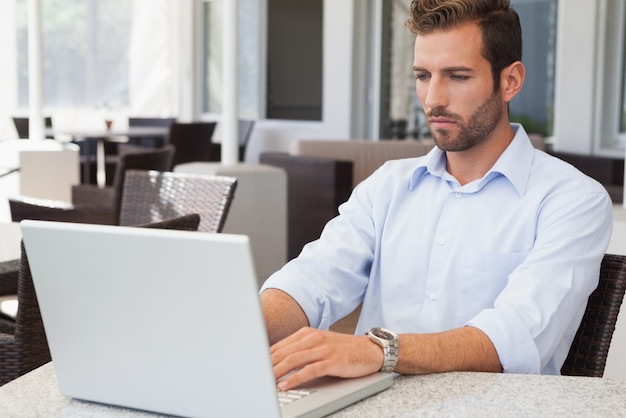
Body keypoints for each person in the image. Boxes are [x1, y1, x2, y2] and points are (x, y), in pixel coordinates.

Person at [261, 0, 613, 391]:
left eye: (457, 76)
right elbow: (312, 279)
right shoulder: (388, 185)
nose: (433, 99)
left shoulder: (572, 200)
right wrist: (247, 323)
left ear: (510, 81)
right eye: (423, 76)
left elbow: (514, 336)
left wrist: (379, 351)